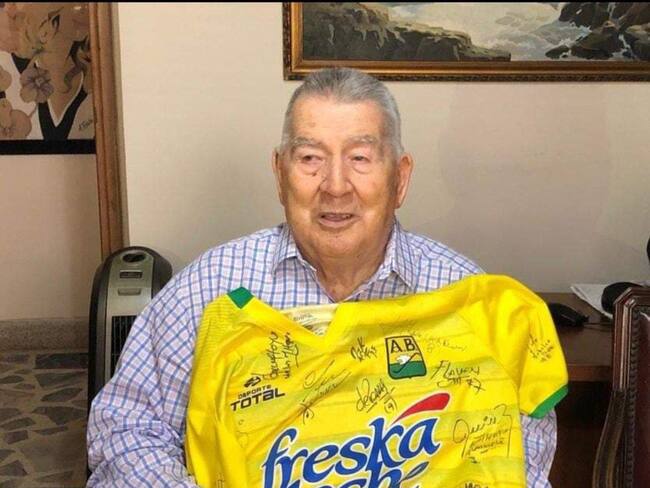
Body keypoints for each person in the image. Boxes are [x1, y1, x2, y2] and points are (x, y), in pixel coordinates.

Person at [86, 67, 557, 487]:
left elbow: (520, 460)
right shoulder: (210, 289)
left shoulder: (466, 299)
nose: (334, 185)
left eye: (360, 158)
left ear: (400, 179)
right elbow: (124, 428)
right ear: (280, 173)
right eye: (310, 158)